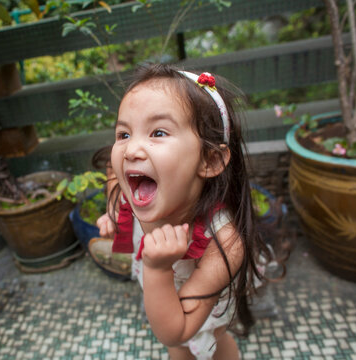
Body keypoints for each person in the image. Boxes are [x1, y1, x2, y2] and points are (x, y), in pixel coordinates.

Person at [96, 63, 283, 360]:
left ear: (210, 160)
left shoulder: (224, 244)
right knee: (178, 352)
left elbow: (176, 329)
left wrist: (157, 270)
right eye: (124, 134)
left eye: (157, 132)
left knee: (209, 344)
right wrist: (112, 217)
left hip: (197, 307)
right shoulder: (137, 183)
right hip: (163, 292)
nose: (130, 151)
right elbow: (112, 173)